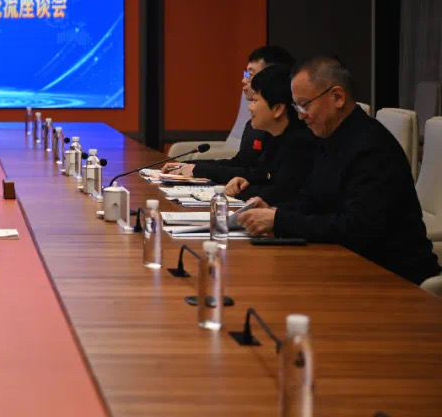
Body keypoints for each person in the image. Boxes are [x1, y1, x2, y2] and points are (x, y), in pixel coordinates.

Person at [237, 57, 441, 285]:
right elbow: (313, 199)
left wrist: (280, 220)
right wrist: (275, 210)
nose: (301, 115)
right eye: (297, 107)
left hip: (394, 279)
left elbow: (355, 228)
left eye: (304, 105)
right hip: (349, 265)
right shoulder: (330, 137)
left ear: (337, 97)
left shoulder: (372, 148)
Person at [166, 45, 295, 182]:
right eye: (245, 74)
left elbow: (260, 176)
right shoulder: (253, 125)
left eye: (251, 75)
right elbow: (241, 163)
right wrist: (191, 166)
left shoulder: (289, 135)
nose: (244, 80)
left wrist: (200, 170)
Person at [224, 64, 316, 206]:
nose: (250, 107)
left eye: (255, 100)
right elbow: (263, 176)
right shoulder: (273, 137)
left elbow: (281, 193)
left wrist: (241, 191)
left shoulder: (301, 144)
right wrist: (244, 182)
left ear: (278, 109)